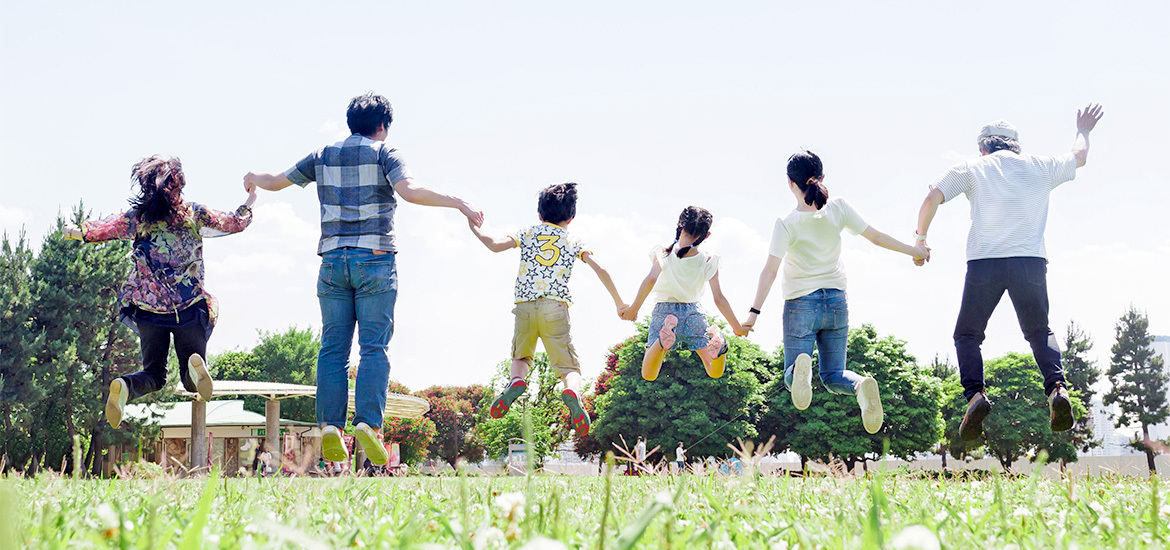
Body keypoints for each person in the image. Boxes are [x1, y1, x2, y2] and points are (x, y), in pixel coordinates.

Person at [243, 93, 483, 466]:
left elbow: (275, 181)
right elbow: (409, 190)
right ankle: (369, 424)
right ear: (383, 126)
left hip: (333, 261)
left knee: (333, 348)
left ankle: (330, 426)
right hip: (375, 260)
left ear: (350, 121)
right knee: (373, 348)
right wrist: (460, 203)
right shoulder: (385, 153)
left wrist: (252, 178)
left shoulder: (323, 154)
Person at [915, 104, 1104, 442]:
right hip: (1029, 261)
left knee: (967, 335)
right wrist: (1084, 129)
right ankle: (1057, 389)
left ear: (983, 146)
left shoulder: (972, 167)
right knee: (1039, 331)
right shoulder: (1041, 166)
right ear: (1015, 145)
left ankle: (975, 397)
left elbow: (932, 197)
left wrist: (921, 240)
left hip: (985, 262)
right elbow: (1079, 156)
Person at [742, 151, 929, 434]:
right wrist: (914, 250)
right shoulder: (839, 208)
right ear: (822, 177)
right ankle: (859, 385)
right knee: (833, 375)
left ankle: (799, 370)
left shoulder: (786, 223)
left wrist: (753, 314)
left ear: (789, 182)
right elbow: (876, 237)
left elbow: (769, 271)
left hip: (801, 304)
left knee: (792, 376)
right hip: (836, 303)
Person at [63, 156, 254, 428]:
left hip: (148, 311)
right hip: (189, 308)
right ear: (179, 184)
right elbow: (234, 223)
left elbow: (104, 229)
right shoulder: (194, 213)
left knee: (154, 374)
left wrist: (76, 232)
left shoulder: (138, 219)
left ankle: (125, 386)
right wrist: (251, 201)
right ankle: (193, 368)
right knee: (190, 379)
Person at [467, 183, 626, 437]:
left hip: (525, 307)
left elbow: (494, 244)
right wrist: (620, 302)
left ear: (540, 214)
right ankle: (572, 390)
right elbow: (601, 269)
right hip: (555, 307)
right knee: (568, 367)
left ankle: (517, 382)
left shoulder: (528, 232)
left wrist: (473, 223)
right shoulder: (573, 240)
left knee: (520, 357)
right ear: (571, 217)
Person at [619, 206, 743, 380]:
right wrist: (736, 326)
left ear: (680, 225)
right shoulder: (708, 260)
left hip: (665, 314)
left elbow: (650, 279)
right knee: (714, 372)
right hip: (694, 314)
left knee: (649, 374)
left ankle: (663, 341)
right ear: (707, 235)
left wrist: (634, 309)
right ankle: (719, 343)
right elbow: (719, 298)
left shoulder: (663, 253)